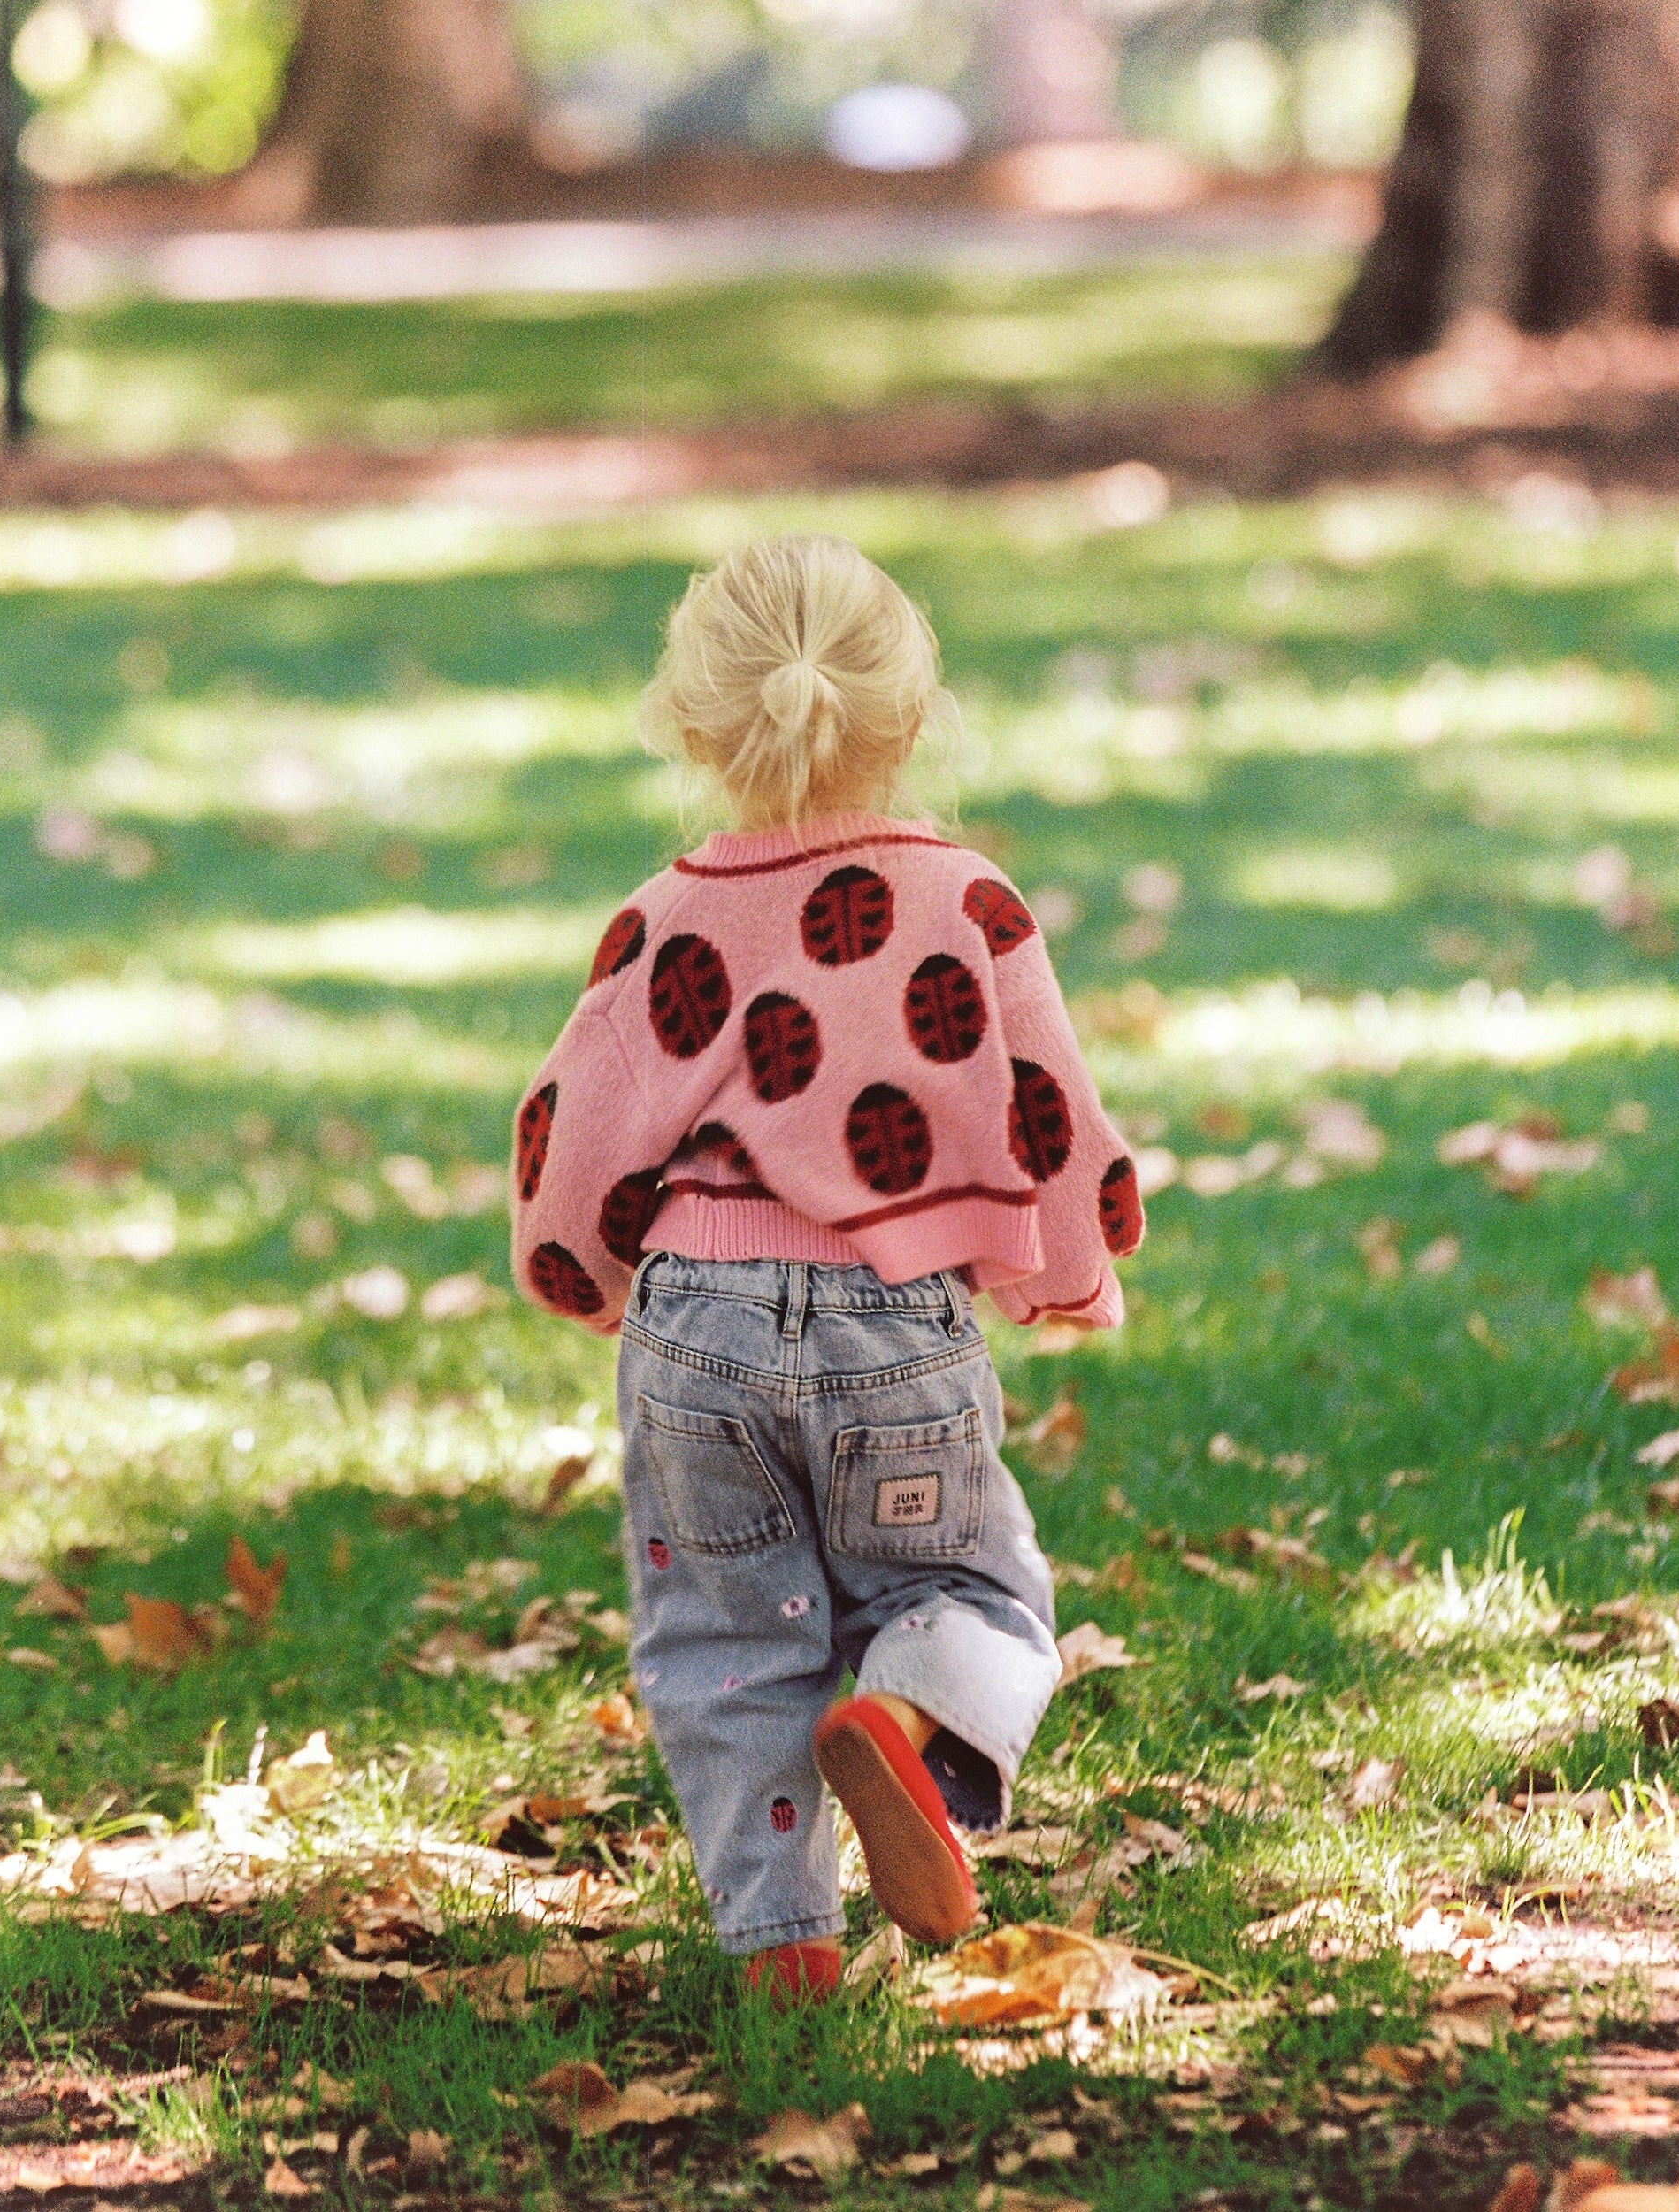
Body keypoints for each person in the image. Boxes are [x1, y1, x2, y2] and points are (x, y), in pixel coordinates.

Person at [510, 534, 1144, 2001]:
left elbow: (573, 1132)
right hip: (893, 1330)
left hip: (694, 1340)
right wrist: (1071, 1262)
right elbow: (1050, 1106)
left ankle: (780, 1950)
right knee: (975, 1592)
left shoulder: (662, 919)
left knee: (726, 1648)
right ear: (912, 722)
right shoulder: (968, 902)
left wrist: (584, 1278)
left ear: (689, 724)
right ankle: (911, 1721)